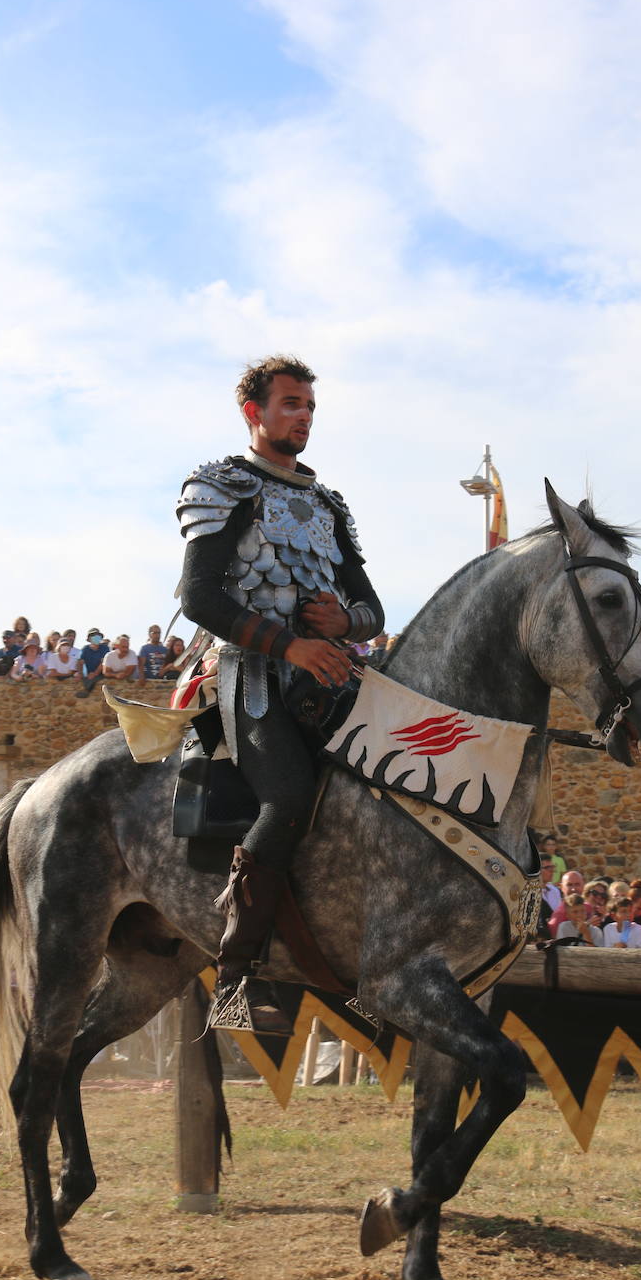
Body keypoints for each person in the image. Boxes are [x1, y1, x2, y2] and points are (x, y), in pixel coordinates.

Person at [177, 355, 384, 1016]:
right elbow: (200, 598)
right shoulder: (222, 487)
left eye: (310, 407)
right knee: (290, 794)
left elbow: (374, 610)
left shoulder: (328, 504)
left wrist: (343, 619)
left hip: (331, 673)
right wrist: (292, 641)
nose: (303, 417)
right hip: (248, 674)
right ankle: (236, 974)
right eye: (291, 403)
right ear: (254, 412)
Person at [75, 628, 109, 696]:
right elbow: (79, 662)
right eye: (93, 636)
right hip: (89, 674)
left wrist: (95, 673)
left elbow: (104, 662)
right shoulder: (85, 649)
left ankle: (86, 691)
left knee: (94, 679)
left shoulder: (105, 648)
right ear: (89, 639)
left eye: (98, 636)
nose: (96, 638)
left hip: (102, 673)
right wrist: (80, 673)